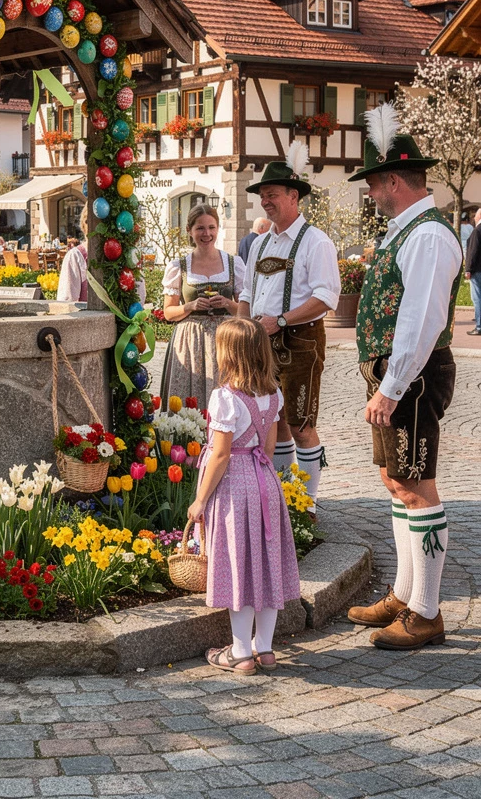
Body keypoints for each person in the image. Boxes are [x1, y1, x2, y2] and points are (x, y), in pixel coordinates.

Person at [345, 104, 461, 650]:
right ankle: (404, 594)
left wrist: (391, 388)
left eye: (372, 183)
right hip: (395, 378)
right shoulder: (406, 230)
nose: (369, 193)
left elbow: (421, 319)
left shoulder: (429, 236)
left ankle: (427, 612)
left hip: (411, 379)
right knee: (396, 482)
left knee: (417, 488)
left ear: (394, 179)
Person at [188, 317, 301, 675]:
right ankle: (264, 648)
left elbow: (221, 455)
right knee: (266, 565)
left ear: (229, 355)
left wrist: (200, 500)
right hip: (265, 482)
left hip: (235, 488)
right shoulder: (273, 394)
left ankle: (239, 652)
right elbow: (267, 448)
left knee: (238, 567)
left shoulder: (225, 398)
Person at [237, 143, 340, 512]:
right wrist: (247, 329)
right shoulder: (261, 243)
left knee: (301, 424)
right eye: (263, 196)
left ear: (293, 196)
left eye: (272, 195)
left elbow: (327, 297)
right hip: (262, 343)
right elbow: (247, 291)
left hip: (300, 341)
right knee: (274, 422)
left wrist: (280, 320)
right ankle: (285, 498)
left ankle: (308, 503)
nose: (265, 201)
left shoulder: (316, 241)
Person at [160, 204, 245, 410]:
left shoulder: (235, 264)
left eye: (211, 227)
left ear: (218, 228)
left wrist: (227, 303)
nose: (206, 234)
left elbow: (245, 312)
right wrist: (190, 306)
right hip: (189, 342)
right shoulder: (178, 266)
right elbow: (168, 313)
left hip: (226, 340)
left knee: (227, 399)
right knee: (188, 401)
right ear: (189, 230)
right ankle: (186, 441)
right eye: (200, 228)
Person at [57, 211, 147, 305]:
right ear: (84, 226)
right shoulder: (76, 256)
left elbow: (139, 297)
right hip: (87, 319)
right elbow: (67, 303)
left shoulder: (126, 257)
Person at [464, 208, 481, 336]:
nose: (474, 218)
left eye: (475, 215)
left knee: (477, 298)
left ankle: (479, 326)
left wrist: (468, 269)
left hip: (477, 270)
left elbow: (473, 251)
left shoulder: (477, 231)